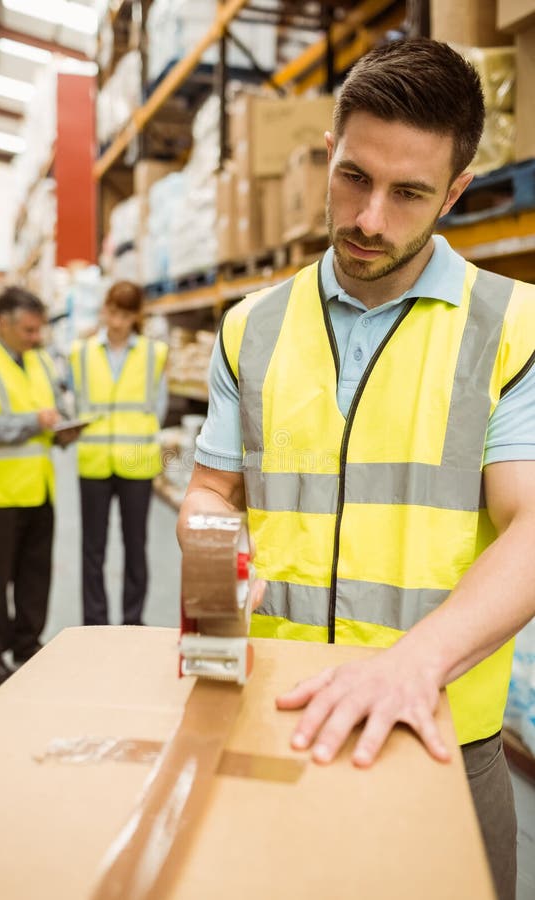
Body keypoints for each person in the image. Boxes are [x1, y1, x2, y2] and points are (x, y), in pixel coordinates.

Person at [177, 38, 535, 900]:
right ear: (330, 155)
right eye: (352, 177)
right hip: (270, 718)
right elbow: (213, 489)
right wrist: (212, 571)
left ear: (454, 193)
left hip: (440, 736)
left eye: (408, 192)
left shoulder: (511, 328)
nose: (369, 218)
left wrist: (414, 664)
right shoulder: (251, 326)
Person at [0, 286, 74, 688]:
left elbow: (52, 411)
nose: (36, 337)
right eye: (28, 330)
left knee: (35, 575)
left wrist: (63, 429)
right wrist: (33, 423)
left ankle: (26, 645)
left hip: (38, 489)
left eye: (38, 330)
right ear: (3, 323)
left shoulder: (39, 361)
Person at [69, 281, 168, 627]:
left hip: (136, 462)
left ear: (135, 316)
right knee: (92, 549)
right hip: (94, 462)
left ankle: (132, 621)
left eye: (125, 315)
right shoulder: (79, 353)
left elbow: (159, 404)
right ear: (104, 309)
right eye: (112, 311)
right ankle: (95, 621)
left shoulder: (154, 354)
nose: (116, 321)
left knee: (135, 547)